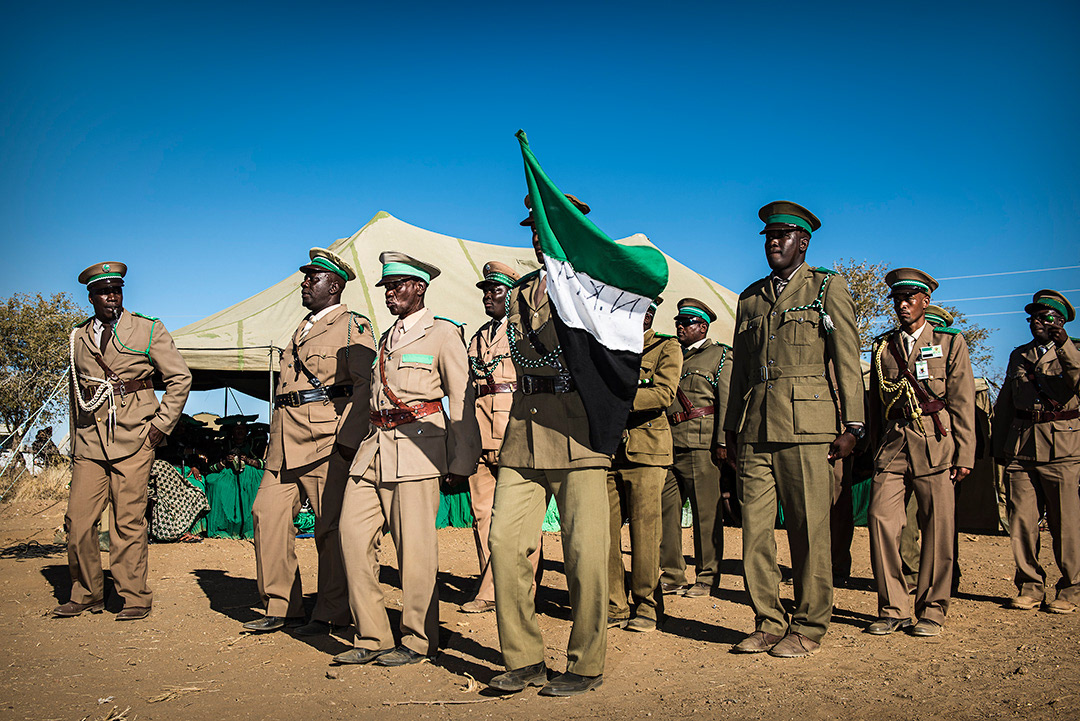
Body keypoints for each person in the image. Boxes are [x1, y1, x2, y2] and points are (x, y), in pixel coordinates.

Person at [724, 202, 864, 657]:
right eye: (768, 236)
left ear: (803, 242)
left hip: (809, 426)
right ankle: (767, 621)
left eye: (783, 236)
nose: (774, 243)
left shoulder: (826, 287)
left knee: (808, 529)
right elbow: (741, 372)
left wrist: (853, 424)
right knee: (755, 533)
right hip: (755, 428)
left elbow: (846, 357)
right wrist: (729, 431)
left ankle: (808, 625)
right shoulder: (749, 298)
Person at [487, 193, 611, 696]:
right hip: (524, 431)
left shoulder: (601, 290)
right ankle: (525, 659)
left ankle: (587, 662)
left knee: (584, 554)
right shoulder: (519, 294)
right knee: (504, 544)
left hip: (578, 431)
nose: (540, 237)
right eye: (535, 229)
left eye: (550, 228)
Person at [335, 252, 481, 666]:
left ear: (419, 287)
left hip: (418, 451)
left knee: (415, 553)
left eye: (398, 285)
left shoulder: (443, 335)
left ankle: (418, 639)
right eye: (386, 287)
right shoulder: (385, 339)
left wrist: (461, 460)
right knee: (352, 537)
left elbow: (461, 399)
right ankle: (373, 634)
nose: (390, 293)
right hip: (374, 449)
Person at [245, 248, 375, 635]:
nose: (304, 283)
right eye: (305, 277)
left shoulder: (353, 326)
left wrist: (348, 441)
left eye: (312, 278)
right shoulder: (300, 327)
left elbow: (365, 385)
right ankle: (282, 606)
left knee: (329, 527)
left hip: (325, 439)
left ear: (334, 285)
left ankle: (333, 611)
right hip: (284, 440)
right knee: (265, 515)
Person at [56, 261, 192, 620]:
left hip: (134, 436)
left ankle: (134, 598)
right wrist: (74, 441)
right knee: (78, 521)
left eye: (116, 290)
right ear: (91, 297)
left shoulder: (147, 329)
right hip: (89, 442)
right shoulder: (78, 337)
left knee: (128, 521)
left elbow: (179, 378)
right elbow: (76, 392)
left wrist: (160, 426)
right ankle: (86, 593)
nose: (112, 297)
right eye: (103, 292)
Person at [865, 268, 975, 637]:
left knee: (937, 527)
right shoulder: (882, 346)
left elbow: (961, 401)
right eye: (897, 298)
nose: (902, 304)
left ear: (926, 301)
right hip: (894, 444)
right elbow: (875, 405)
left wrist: (965, 455)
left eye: (909, 298)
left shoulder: (949, 341)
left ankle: (932, 608)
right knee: (881, 519)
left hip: (935, 442)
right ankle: (893, 607)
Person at [460, 260, 543, 614]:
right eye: (486, 291)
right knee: (483, 515)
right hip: (478, 432)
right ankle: (490, 587)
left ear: (512, 294)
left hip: (513, 430)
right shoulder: (478, 335)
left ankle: (520, 588)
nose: (489, 297)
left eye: (496, 290)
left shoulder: (526, 331)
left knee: (520, 519)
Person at [993, 290, 1080, 614]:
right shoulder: (1019, 355)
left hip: (1064, 450)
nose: (1037, 323)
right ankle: (1030, 586)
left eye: (1046, 318)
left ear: (1061, 321)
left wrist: (1065, 345)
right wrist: (999, 447)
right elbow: (1005, 404)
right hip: (1022, 448)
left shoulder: (1075, 350)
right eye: (1034, 317)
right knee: (1022, 525)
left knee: (1066, 526)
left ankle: (1071, 589)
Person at [607, 297, 682, 632]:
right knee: (605, 536)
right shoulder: (608, 346)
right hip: (608, 452)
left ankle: (648, 606)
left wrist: (611, 400)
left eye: (641, 311)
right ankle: (614, 604)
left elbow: (663, 394)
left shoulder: (667, 348)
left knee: (645, 534)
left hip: (647, 452)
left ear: (650, 314)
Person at [659, 298, 732, 598]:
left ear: (702, 326)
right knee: (667, 513)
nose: (680, 326)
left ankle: (707, 576)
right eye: (678, 321)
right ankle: (673, 573)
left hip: (701, 445)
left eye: (687, 322)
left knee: (706, 515)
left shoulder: (720, 356)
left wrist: (723, 442)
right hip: (668, 443)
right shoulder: (671, 354)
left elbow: (726, 400)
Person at [205, 415, 264, 540]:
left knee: (257, 485)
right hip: (227, 475)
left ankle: (250, 528)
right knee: (217, 485)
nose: (239, 432)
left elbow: (264, 463)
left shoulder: (255, 443)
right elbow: (210, 468)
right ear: (232, 431)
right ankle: (222, 527)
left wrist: (248, 461)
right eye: (237, 429)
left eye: (242, 429)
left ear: (247, 431)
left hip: (249, 475)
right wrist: (225, 461)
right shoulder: (222, 444)